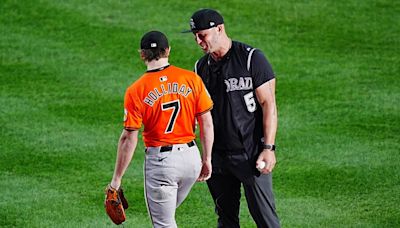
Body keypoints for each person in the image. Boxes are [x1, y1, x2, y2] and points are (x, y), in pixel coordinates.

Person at [183, 9, 280, 228]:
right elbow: (198, 114)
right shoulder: (200, 68)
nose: (198, 41)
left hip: (250, 153)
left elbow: (269, 104)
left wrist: (268, 147)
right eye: (195, 35)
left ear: (219, 29)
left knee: (265, 218)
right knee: (225, 220)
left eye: (202, 34)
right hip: (218, 158)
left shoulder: (251, 58)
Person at [107, 30, 214, 227]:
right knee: (167, 217)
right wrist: (206, 159)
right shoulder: (190, 79)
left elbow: (128, 139)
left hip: (163, 165)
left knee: (163, 223)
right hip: (191, 160)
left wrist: (116, 180)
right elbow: (206, 122)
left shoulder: (136, 90)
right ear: (168, 51)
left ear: (142, 54)